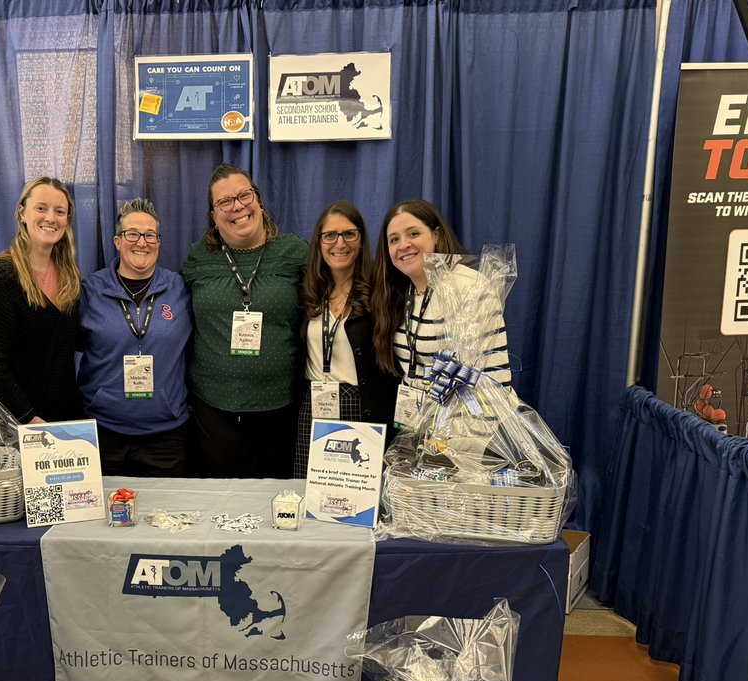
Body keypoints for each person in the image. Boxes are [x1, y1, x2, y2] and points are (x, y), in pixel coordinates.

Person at [181, 164, 308, 478]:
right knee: (224, 499)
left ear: (259, 201)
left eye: (244, 195)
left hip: (281, 407)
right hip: (214, 409)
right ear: (214, 216)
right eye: (225, 201)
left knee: (275, 499)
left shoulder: (295, 252)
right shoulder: (198, 258)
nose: (237, 206)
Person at [372, 200, 512, 427]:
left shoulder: (468, 286)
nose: (404, 245)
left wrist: (466, 441)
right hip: (419, 428)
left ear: (435, 235)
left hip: (467, 432)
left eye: (413, 233)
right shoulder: (402, 293)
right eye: (394, 239)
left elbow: (494, 377)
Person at [78, 199, 192, 476]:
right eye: (132, 234)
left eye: (150, 235)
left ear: (158, 242)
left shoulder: (180, 288)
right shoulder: (90, 290)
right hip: (102, 432)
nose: (142, 242)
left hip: (166, 435)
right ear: (117, 241)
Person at [0, 177, 84, 423]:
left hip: (66, 424)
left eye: (59, 211)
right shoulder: (0, 275)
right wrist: (27, 417)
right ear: (22, 213)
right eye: (41, 208)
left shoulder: (70, 278)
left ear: (67, 219)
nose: (50, 218)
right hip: (18, 424)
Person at [294, 201, 396, 478]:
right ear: (319, 242)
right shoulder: (307, 291)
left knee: (357, 494)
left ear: (361, 240)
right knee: (312, 494)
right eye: (330, 235)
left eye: (349, 234)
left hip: (361, 408)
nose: (339, 243)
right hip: (314, 408)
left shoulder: (380, 291)